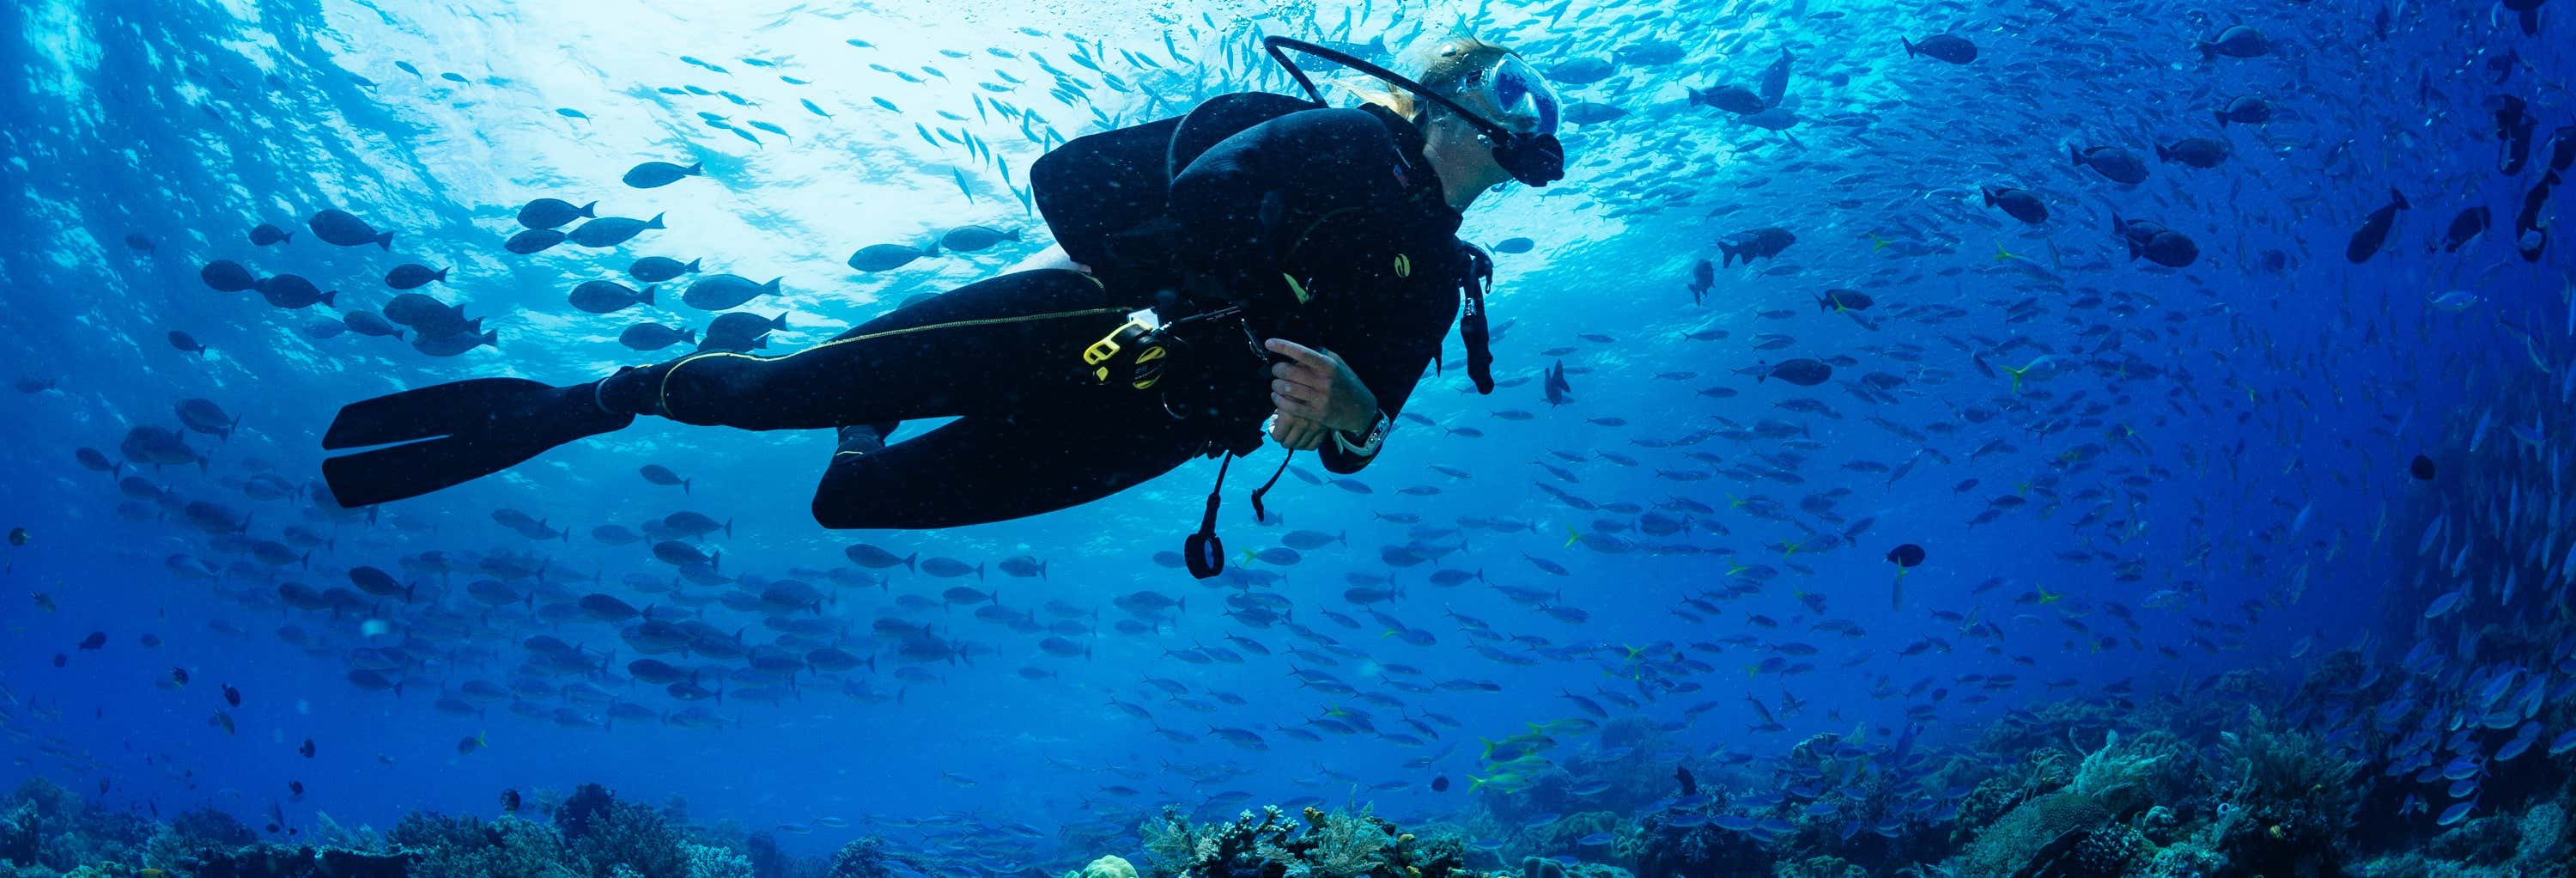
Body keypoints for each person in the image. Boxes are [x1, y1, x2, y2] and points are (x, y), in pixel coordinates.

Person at [321, 34, 1564, 562]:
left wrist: (1347, 414)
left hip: (1163, 426)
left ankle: (863, 437)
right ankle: (602, 395)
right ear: (1449, 93)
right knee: (764, 396)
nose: (1529, 115)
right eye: (1512, 84)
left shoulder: (1444, 282)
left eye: (1542, 108)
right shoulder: (1346, 141)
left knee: (857, 501)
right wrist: (1244, 309)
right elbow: (1204, 198)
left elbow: (1361, 440)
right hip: (1085, 321)